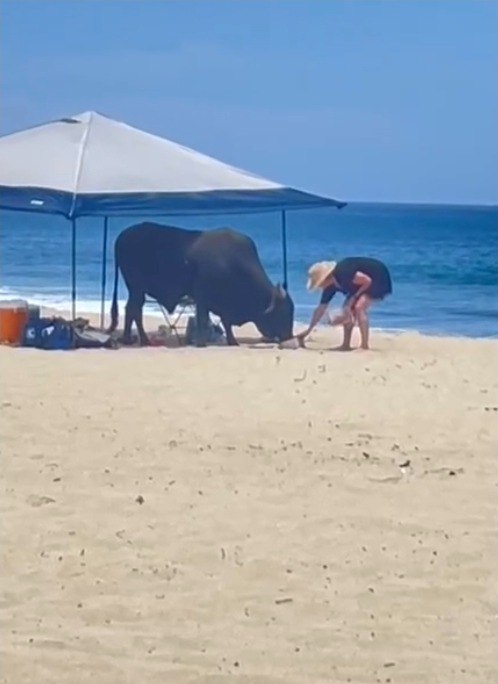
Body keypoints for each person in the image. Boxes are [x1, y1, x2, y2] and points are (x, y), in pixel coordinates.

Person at [297, 257, 392, 350]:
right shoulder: (330, 287)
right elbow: (321, 308)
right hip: (362, 284)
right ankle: (346, 344)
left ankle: (364, 346)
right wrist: (308, 330)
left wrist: (354, 297)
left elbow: (367, 281)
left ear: (325, 279)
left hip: (378, 277)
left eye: (319, 284)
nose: (320, 287)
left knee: (359, 307)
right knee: (346, 309)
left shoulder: (343, 272)